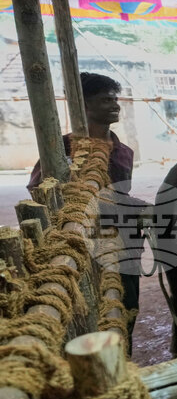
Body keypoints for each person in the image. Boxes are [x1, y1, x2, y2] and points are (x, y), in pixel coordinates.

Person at [28, 72, 140, 346]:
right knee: (78, 306)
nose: (115, 105)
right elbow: (37, 188)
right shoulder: (60, 147)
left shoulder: (123, 151)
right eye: (105, 100)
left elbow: (120, 194)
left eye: (115, 99)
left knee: (126, 303)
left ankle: (122, 357)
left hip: (122, 240)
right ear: (84, 106)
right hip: (75, 238)